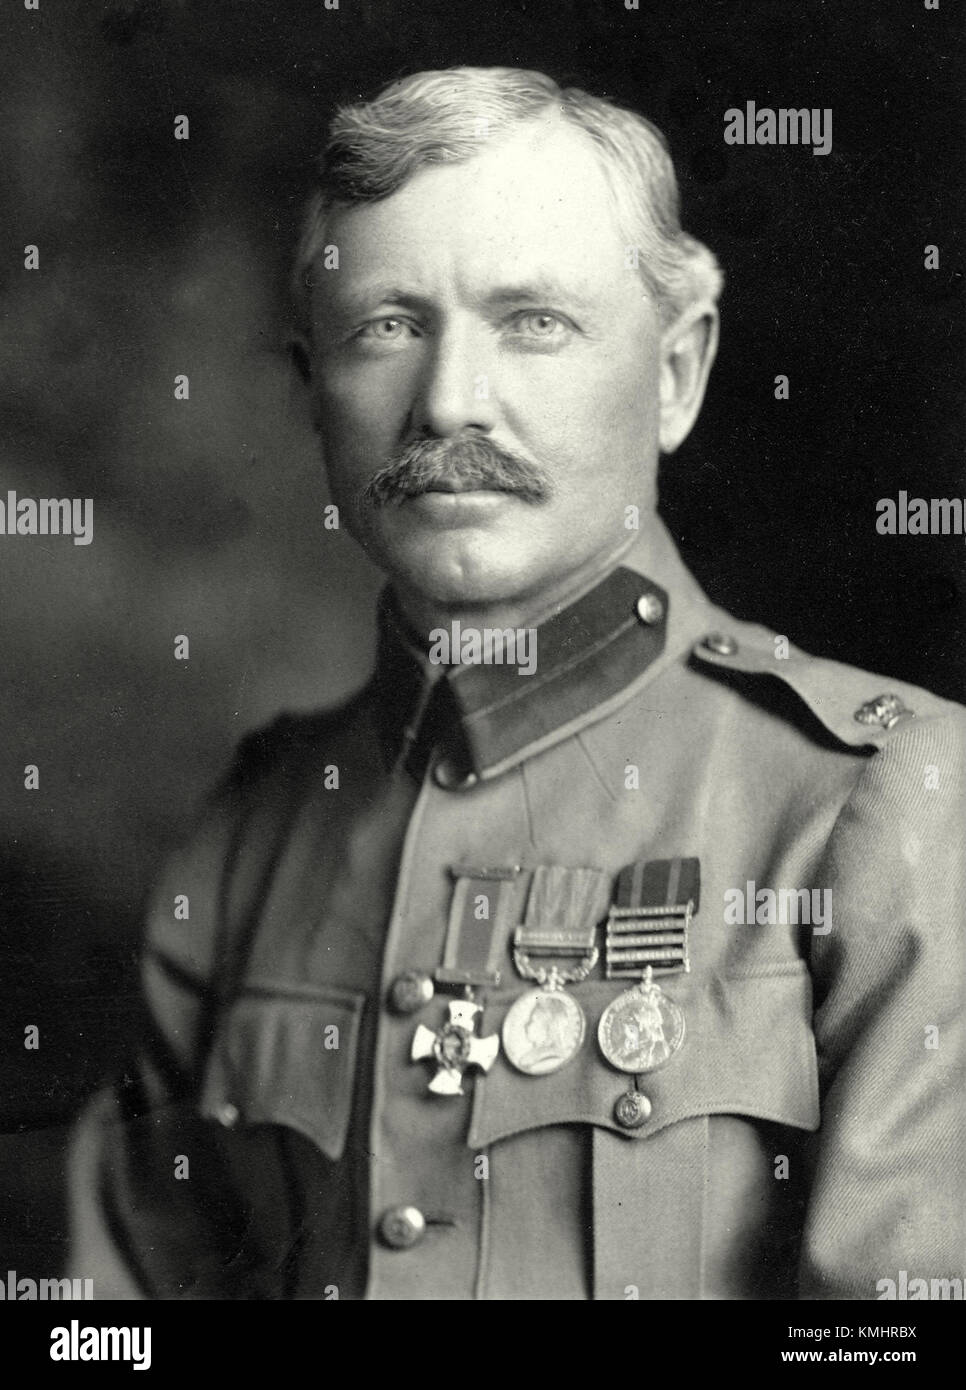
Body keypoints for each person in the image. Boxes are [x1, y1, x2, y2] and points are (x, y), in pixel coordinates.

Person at [68, 65, 965, 1301]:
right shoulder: (249, 834)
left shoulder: (888, 796)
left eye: (533, 320)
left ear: (675, 375)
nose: (448, 399)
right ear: (310, 395)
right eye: (388, 325)